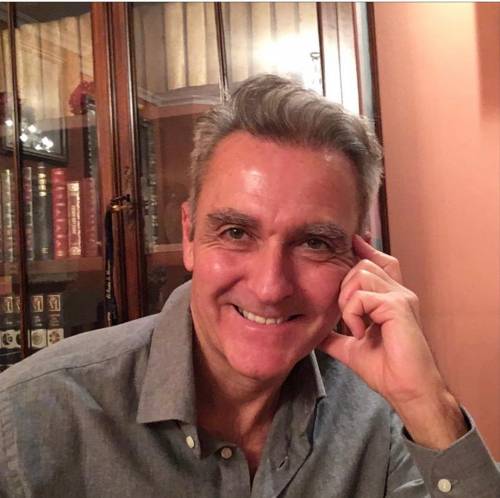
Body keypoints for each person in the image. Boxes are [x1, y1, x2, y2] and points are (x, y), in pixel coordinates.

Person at [0, 75, 498, 498]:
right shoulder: (29, 417)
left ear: (359, 256)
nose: (270, 287)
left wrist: (427, 404)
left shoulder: (386, 416)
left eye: (314, 243)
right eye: (237, 233)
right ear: (189, 236)